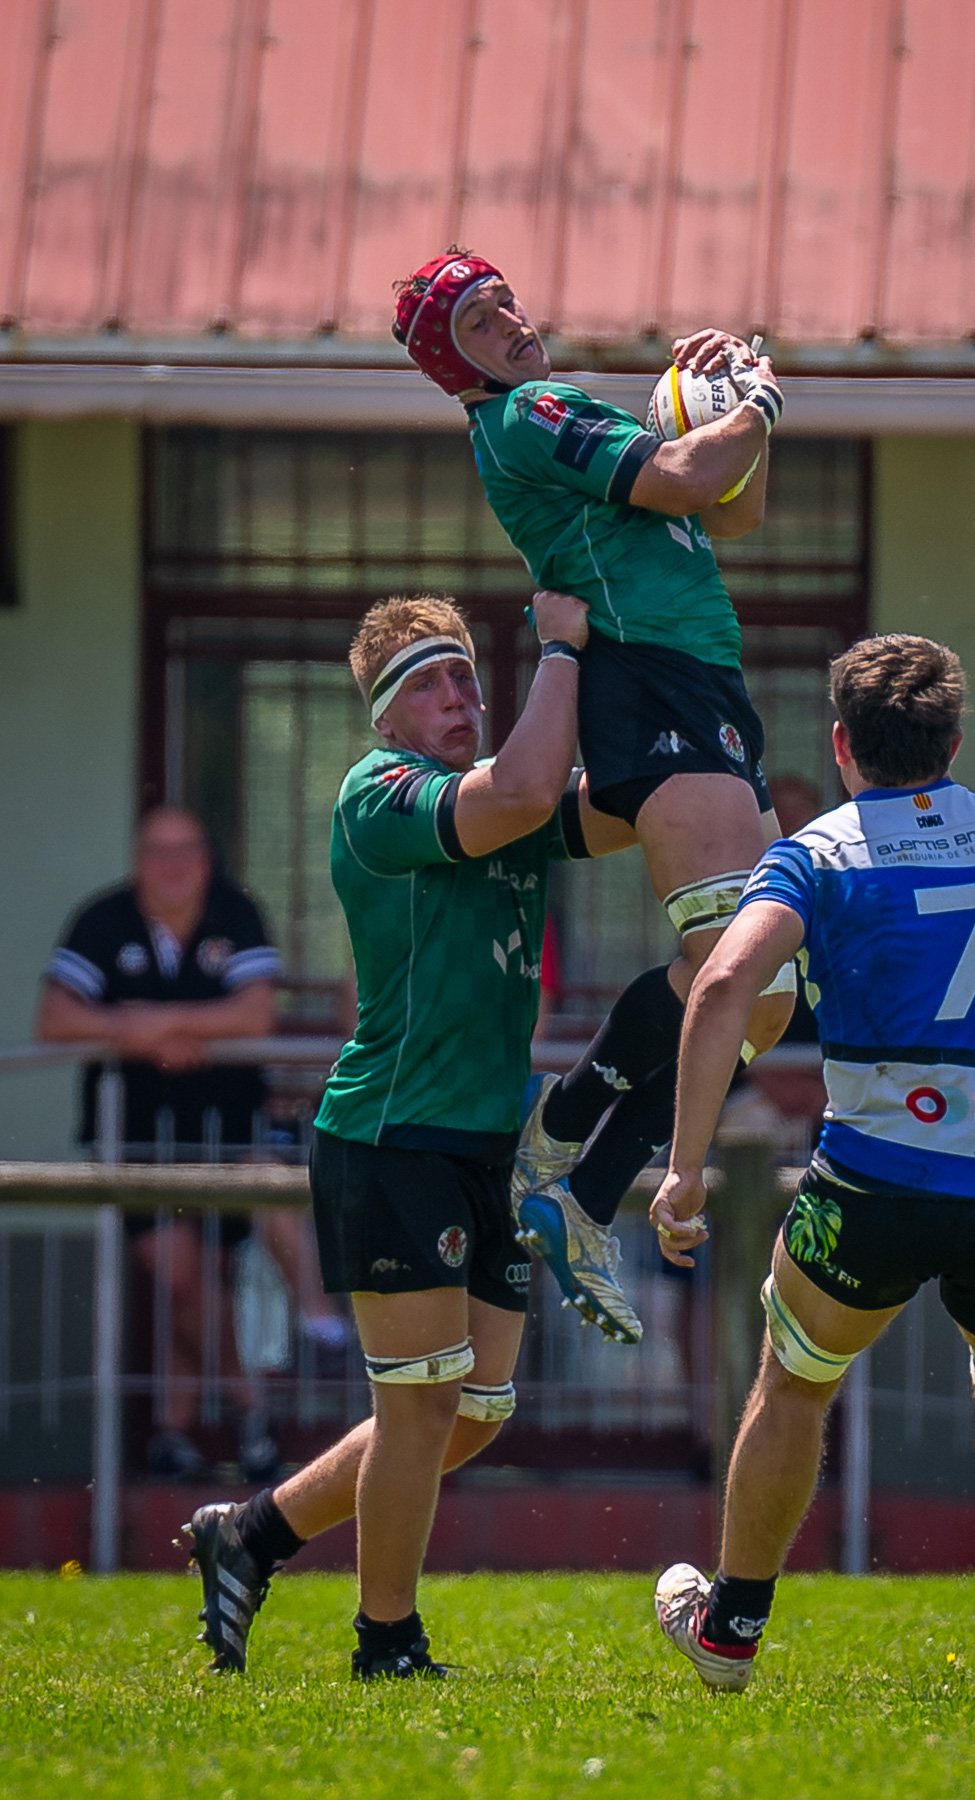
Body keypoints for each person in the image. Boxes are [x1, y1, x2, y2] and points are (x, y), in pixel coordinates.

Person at [648, 633, 975, 1693]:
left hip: (875, 1178)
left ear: (842, 745)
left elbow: (718, 990)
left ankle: (731, 1630)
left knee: (794, 1380)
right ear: (950, 738)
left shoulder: (822, 852)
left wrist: (682, 1166)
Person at [184, 589, 638, 1681]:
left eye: (465, 679)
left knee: (472, 1414)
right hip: (389, 1136)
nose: (457, 698)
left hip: (482, 1145)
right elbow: (531, 785)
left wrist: (686, 723)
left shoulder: (504, 797)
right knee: (422, 1402)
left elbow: (619, 810)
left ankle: (251, 1534)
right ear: (384, 718)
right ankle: (385, 1642)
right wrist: (564, 648)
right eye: (428, 684)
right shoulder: (378, 792)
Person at [391, 250, 796, 1342]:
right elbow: (681, 478)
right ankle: (562, 1142)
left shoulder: (546, 409)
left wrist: (727, 398)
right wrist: (753, 399)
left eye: (504, 302)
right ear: (454, 364)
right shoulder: (526, 411)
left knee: (766, 991)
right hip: (647, 676)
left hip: (698, 678)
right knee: (732, 958)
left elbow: (731, 510)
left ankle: (577, 1181)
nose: (511, 323)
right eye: (479, 321)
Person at [37, 806, 293, 1479]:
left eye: (186, 851)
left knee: (205, 1280)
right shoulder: (104, 918)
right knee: (180, 1276)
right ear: (136, 858)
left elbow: (257, 1013)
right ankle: (252, 1408)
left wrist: (141, 1021)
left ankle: (174, 1432)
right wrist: (163, 1032)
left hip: (228, 1137)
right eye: (158, 850)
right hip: (135, 1142)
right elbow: (56, 1019)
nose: (173, 866)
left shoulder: (235, 914)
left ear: (206, 860)